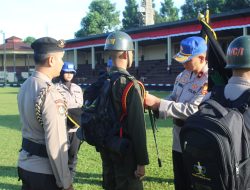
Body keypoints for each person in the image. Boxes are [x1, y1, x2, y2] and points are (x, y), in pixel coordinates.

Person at [144, 36, 208, 190]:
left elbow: (193, 110)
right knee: (180, 179)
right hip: (178, 137)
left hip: (196, 138)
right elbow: (173, 97)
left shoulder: (209, 80)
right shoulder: (183, 75)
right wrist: (154, 105)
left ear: (201, 57)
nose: (183, 63)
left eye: (187, 60)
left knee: (197, 181)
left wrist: (159, 103)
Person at [17, 37, 73, 190]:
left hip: (26, 164)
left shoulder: (26, 85)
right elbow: (55, 142)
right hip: (44, 173)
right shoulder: (50, 93)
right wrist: (65, 182)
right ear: (51, 60)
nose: (62, 64)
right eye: (61, 59)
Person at [100, 31, 149, 190]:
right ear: (127, 54)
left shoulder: (104, 81)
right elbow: (137, 128)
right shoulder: (129, 84)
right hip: (125, 153)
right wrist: (141, 162)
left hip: (107, 149)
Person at [55, 61, 83, 179]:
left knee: (73, 155)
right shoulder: (55, 88)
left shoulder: (77, 88)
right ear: (61, 72)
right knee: (61, 156)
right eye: (67, 72)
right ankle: (61, 179)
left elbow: (80, 106)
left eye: (72, 72)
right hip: (62, 127)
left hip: (76, 129)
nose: (69, 74)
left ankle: (70, 179)